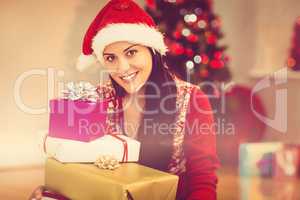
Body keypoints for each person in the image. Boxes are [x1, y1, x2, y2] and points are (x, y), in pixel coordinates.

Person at [30, 0, 220, 199]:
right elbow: (77, 167)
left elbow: (202, 178)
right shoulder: (97, 99)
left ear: (152, 51)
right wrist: (52, 192)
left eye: (131, 52)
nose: (122, 68)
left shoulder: (191, 99)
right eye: (111, 58)